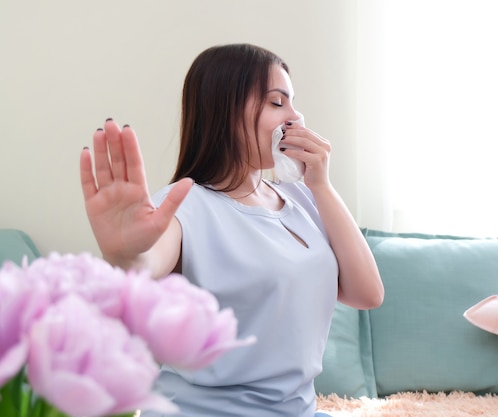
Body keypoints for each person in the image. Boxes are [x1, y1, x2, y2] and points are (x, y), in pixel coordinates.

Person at [80, 43, 384, 417]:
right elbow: (146, 261)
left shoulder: (301, 199)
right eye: (277, 102)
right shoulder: (182, 204)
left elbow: (367, 293)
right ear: (224, 110)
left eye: (292, 103)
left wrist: (321, 185)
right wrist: (125, 254)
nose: (296, 117)